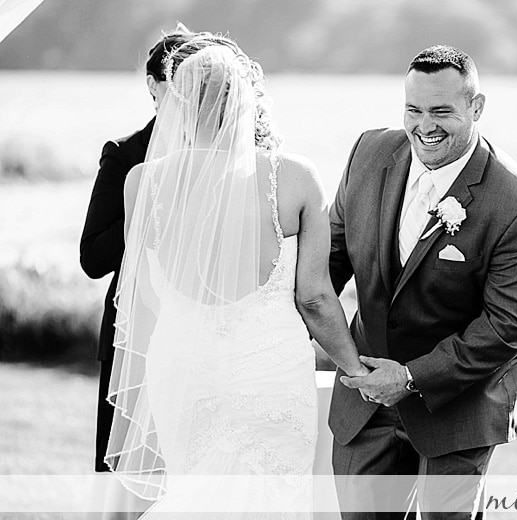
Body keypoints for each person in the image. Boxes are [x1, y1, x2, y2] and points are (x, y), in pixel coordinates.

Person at [104, 35, 368, 518]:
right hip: (268, 374)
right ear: (248, 102)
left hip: (182, 368)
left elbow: (143, 293)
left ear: (177, 103)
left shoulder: (142, 181)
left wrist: (200, 331)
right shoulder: (294, 177)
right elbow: (314, 298)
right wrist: (354, 368)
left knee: (193, 494)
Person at [328, 45, 517, 518]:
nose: (424, 126)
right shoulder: (368, 154)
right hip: (366, 397)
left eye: (442, 111)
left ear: (477, 107)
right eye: (413, 109)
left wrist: (408, 379)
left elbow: (507, 326)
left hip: (458, 403)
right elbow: (327, 262)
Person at [80, 23, 197, 478]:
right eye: (178, 85)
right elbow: (93, 257)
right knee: (123, 476)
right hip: (135, 333)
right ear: (153, 86)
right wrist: (149, 205)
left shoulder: (225, 155)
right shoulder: (126, 153)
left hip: (198, 333)